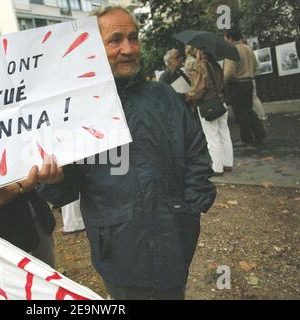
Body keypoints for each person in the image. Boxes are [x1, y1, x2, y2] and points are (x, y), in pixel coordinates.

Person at [36, 6, 216, 300]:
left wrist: (191, 210)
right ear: (93, 47)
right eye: (115, 40)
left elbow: (197, 153)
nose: (128, 49)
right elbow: (65, 188)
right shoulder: (76, 111)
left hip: (174, 240)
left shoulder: (164, 97)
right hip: (119, 251)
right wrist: (53, 181)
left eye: (133, 38)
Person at [186, 48, 233, 176]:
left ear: (201, 52)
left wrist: (188, 96)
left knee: (212, 137)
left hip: (208, 105)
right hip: (220, 102)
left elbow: (198, 89)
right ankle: (228, 163)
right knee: (224, 133)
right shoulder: (216, 65)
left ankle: (217, 168)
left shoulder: (201, 66)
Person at [223, 30, 266, 147]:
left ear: (230, 38)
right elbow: (256, 66)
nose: (225, 41)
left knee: (240, 113)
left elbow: (229, 73)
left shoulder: (231, 50)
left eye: (225, 38)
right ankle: (259, 133)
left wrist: (223, 83)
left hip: (236, 85)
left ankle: (247, 139)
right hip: (248, 83)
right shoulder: (247, 48)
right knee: (248, 110)